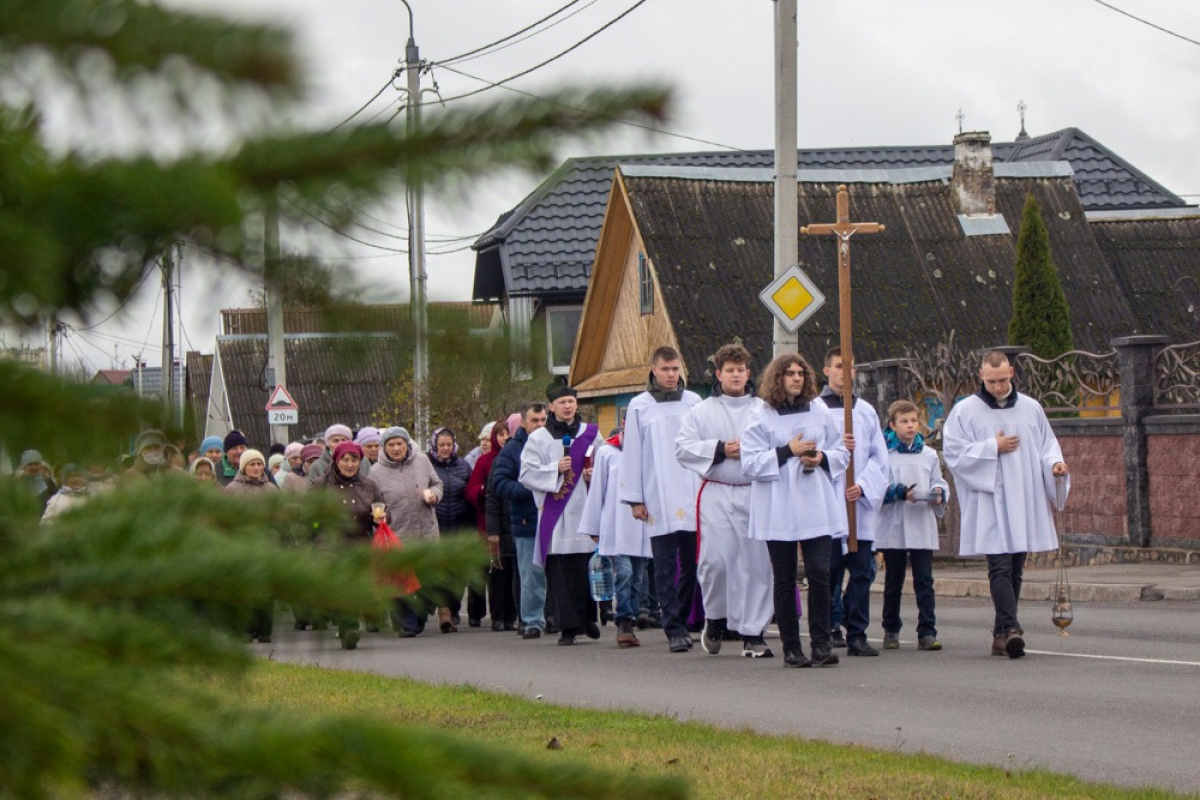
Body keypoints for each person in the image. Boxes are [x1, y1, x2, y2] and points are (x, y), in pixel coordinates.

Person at [943, 350, 1070, 659]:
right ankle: (1013, 629)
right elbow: (954, 453)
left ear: (1011, 372)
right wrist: (991, 447)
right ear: (981, 376)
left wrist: (1055, 466)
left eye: (1002, 380)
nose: (997, 387)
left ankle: (1001, 635)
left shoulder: (1031, 408)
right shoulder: (965, 411)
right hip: (990, 500)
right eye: (991, 381)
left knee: (1015, 568)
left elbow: (1047, 447)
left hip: (1023, 499)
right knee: (998, 565)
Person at [741, 353, 849, 668]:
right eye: (789, 373)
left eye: (801, 372)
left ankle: (821, 644)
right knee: (785, 578)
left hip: (814, 500)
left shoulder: (819, 411)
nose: (797, 378)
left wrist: (821, 458)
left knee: (820, 573)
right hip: (778, 504)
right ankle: (792, 648)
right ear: (778, 378)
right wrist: (788, 450)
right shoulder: (760, 415)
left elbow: (841, 451)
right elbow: (749, 463)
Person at [675, 343, 774, 658]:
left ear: (748, 373)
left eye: (741, 370)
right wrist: (719, 449)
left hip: (755, 492)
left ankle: (753, 633)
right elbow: (682, 448)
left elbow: (778, 444)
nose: (736, 375)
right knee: (715, 561)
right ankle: (715, 617)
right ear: (719, 374)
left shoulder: (764, 409)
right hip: (717, 490)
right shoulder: (701, 411)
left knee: (757, 564)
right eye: (729, 370)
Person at [620, 347, 702, 654]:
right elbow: (632, 454)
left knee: (693, 565)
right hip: (658, 495)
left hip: (692, 492)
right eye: (665, 369)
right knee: (665, 567)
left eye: (675, 368)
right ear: (654, 370)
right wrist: (635, 498)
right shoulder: (640, 406)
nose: (671, 374)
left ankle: (680, 615)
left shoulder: (694, 402)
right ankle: (674, 627)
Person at [813, 348, 889, 657]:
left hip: (858, 505)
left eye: (850, 367)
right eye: (839, 366)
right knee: (828, 572)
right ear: (826, 371)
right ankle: (828, 627)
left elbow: (879, 457)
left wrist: (863, 486)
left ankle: (857, 632)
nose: (845, 372)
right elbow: (808, 450)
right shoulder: (814, 409)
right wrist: (834, 448)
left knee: (861, 573)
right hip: (829, 504)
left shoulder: (866, 411)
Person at [520, 384, 601, 646]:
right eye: (562, 402)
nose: (567, 406)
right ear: (551, 407)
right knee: (561, 573)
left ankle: (588, 620)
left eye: (571, 401)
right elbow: (526, 473)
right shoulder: (539, 438)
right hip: (556, 513)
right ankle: (568, 628)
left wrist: (593, 474)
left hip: (585, 509)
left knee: (584, 568)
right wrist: (555, 468)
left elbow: (606, 464)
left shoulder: (591, 434)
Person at [877, 400, 949, 651]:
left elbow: (938, 481)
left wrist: (938, 492)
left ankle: (927, 630)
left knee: (924, 580)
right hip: (895, 523)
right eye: (904, 422)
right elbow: (877, 489)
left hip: (920, 521)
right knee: (894, 580)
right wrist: (898, 492)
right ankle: (891, 629)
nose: (910, 426)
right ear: (892, 425)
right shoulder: (885, 454)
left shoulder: (928, 454)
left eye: (913, 421)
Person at [579, 427, 649, 648]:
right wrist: (593, 526)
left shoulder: (648, 452)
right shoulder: (607, 453)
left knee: (637, 578)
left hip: (642, 524)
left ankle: (631, 615)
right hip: (617, 524)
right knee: (625, 574)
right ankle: (623, 620)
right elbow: (597, 489)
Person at [371, 426, 444, 636]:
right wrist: (378, 515)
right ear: (384, 448)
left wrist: (434, 495)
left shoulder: (422, 461)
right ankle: (406, 624)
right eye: (391, 445)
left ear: (407, 444)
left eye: (399, 444)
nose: (396, 448)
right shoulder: (376, 471)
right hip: (397, 536)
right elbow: (375, 502)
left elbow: (437, 483)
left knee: (427, 583)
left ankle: (419, 616)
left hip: (427, 532)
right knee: (400, 583)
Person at [319, 440, 387, 650]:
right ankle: (348, 627)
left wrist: (381, 517)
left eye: (354, 460)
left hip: (360, 544)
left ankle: (351, 623)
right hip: (331, 545)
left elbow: (383, 509)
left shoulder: (369, 484)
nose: (350, 464)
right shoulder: (321, 485)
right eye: (345, 460)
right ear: (336, 461)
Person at [494, 403, 549, 639]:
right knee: (531, 573)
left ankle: (555, 616)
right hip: (526, 519)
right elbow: (500, 483)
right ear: (523, 423)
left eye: (543, 420)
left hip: (552, 518)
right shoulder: (511, 450)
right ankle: (532, 620)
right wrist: (532, 490)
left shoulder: (552, 443)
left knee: (554, 573)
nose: (539, 425)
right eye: (534, 420)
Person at [222, 448, 279, 643]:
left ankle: (264, 629)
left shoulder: (271, 489)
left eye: (259, 464)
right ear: (243, 467)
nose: (256, 468)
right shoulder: (232, 490)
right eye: (252, 464)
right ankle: (246, 628)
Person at [429, 427, 480, 627]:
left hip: (460, 524)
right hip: (437, 526)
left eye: (449, 445)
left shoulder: (463, 466)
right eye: (441, 445)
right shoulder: (428, 465)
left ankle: (454, 607)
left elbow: (470, 491)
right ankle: (445, 610)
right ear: (434, 445)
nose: (445, 449)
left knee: (458, 572)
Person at [466, 419, 513, 631]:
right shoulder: (485, 462)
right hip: (488, 520)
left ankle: (510, 615)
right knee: (493, 569)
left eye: (506, 434)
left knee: (509, 569)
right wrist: (485, 490)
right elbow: (472, 489)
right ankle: (493, 615)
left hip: (511, 521)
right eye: (499, 435)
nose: (503, 439)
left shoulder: (515, 456)